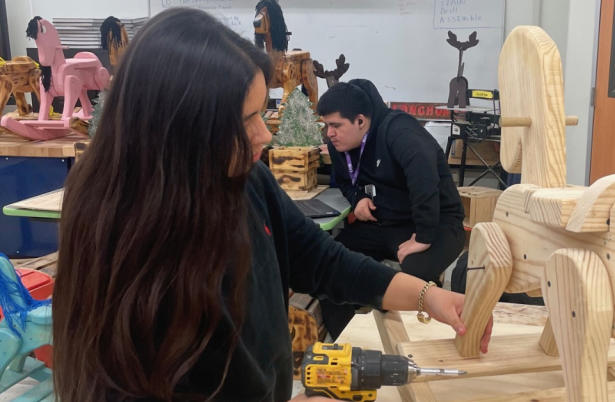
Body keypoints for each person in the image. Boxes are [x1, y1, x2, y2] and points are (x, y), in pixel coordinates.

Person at [52, 8, 491, 402]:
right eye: (248, 120)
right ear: (184, 127)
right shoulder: (125, 239)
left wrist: (427, 296)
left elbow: (322, 261)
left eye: (264, 113)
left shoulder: (246, 180)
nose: (265, 135)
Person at [316, 80, 466, 338]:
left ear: (360, 121)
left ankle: (412, 341)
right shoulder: (338, 143)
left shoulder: (399, 130)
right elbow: (343, 181)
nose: (329, 133)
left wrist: (424, 236)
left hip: (437, 222)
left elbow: (424, 178)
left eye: (336, 125)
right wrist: (358, 198)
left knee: (414, 279)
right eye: (326, 125)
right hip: (382, 223)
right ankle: (350, 341)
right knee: (330, 265)